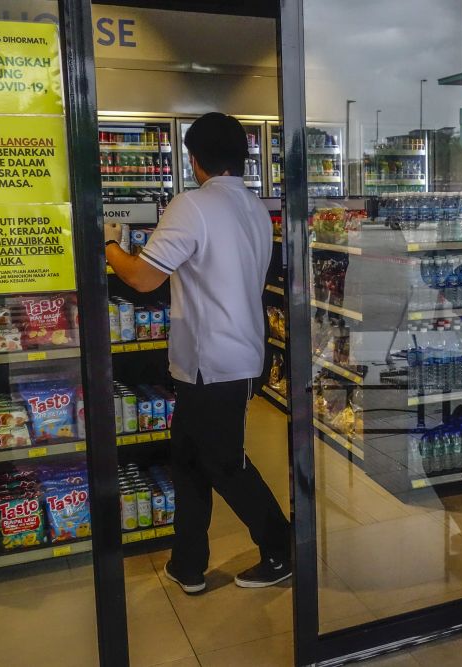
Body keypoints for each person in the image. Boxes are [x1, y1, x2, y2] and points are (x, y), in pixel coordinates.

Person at [104, 112, 291, 594]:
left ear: (194, 159)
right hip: (235, 353)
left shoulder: (192, 206)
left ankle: (282, 548)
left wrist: (108, 243)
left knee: (224, 463)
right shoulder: (252, 205)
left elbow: (143, 277)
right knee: (187, 460)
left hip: (214, 362)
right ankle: (187, 564)